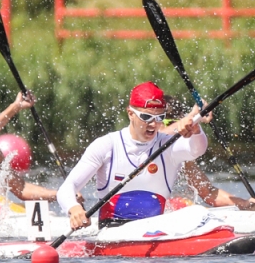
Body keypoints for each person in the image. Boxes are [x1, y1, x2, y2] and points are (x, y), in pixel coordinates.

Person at [57, 82, 209, 229]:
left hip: (155, 231)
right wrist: (74, 208)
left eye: (159, 117)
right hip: (111, 232)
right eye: (146, 117)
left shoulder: (168, 145)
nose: (153, 124)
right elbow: (67, 188)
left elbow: (197, 150)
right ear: (130, 113)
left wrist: (196, 131)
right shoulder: (107, 145)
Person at [161, 99, 255, 211]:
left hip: (169, 210)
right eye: (171, 124)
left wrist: (245, 204)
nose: (183, 130)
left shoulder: (183, 158)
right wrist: (193, 116)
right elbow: (162, 134)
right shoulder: (146, 145)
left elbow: (209, 192)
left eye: (185, 125)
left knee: (187, 206)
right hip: (146, 210)